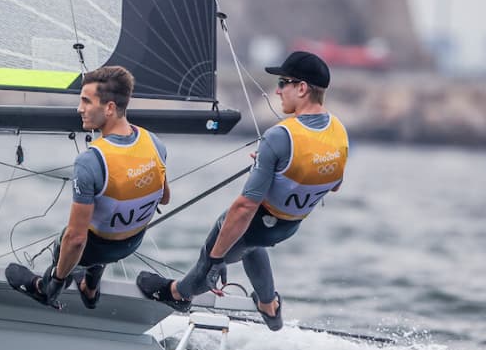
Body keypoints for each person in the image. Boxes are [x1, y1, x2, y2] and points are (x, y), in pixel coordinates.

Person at [136, 51, 348, 330]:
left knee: (214, 253)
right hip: (289, 225)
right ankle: (269, 306)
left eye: (284, 82)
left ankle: (177, 293)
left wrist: (215, 259)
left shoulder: (281, 137)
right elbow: (333, 184)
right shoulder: (338, 130)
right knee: (251, 246)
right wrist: (275, 168)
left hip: (259, 222)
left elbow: (244, 207)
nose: (277, 90)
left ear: (302, 88)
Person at [6, 65, 170, 310]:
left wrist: (59, 278)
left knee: (67, 239)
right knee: (99, 218)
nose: (79, 109)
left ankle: (45, 288)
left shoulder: (91, 161)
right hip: (132, 242)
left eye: (86, 101)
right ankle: (90, 289)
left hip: (95, 251)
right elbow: (164, 198)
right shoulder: (154, 142)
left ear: (110, 108)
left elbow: (76, 240)